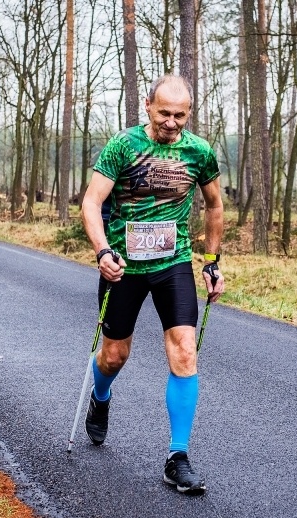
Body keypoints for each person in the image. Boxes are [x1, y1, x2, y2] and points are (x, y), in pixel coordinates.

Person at [80, 74, 225, 495]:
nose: (171, 122)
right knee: (114, 356)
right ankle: (101, 397)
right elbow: (91, 201)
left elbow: (215, 205)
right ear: (147, 105)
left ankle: (177, 457)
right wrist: (103, 252)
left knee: (185, 350)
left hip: (173, 263)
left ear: (189, 113)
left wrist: (212, 261)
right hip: (123, 265)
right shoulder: (123, 145)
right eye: (164, 113)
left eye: (180, 115)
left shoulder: (199, 152)